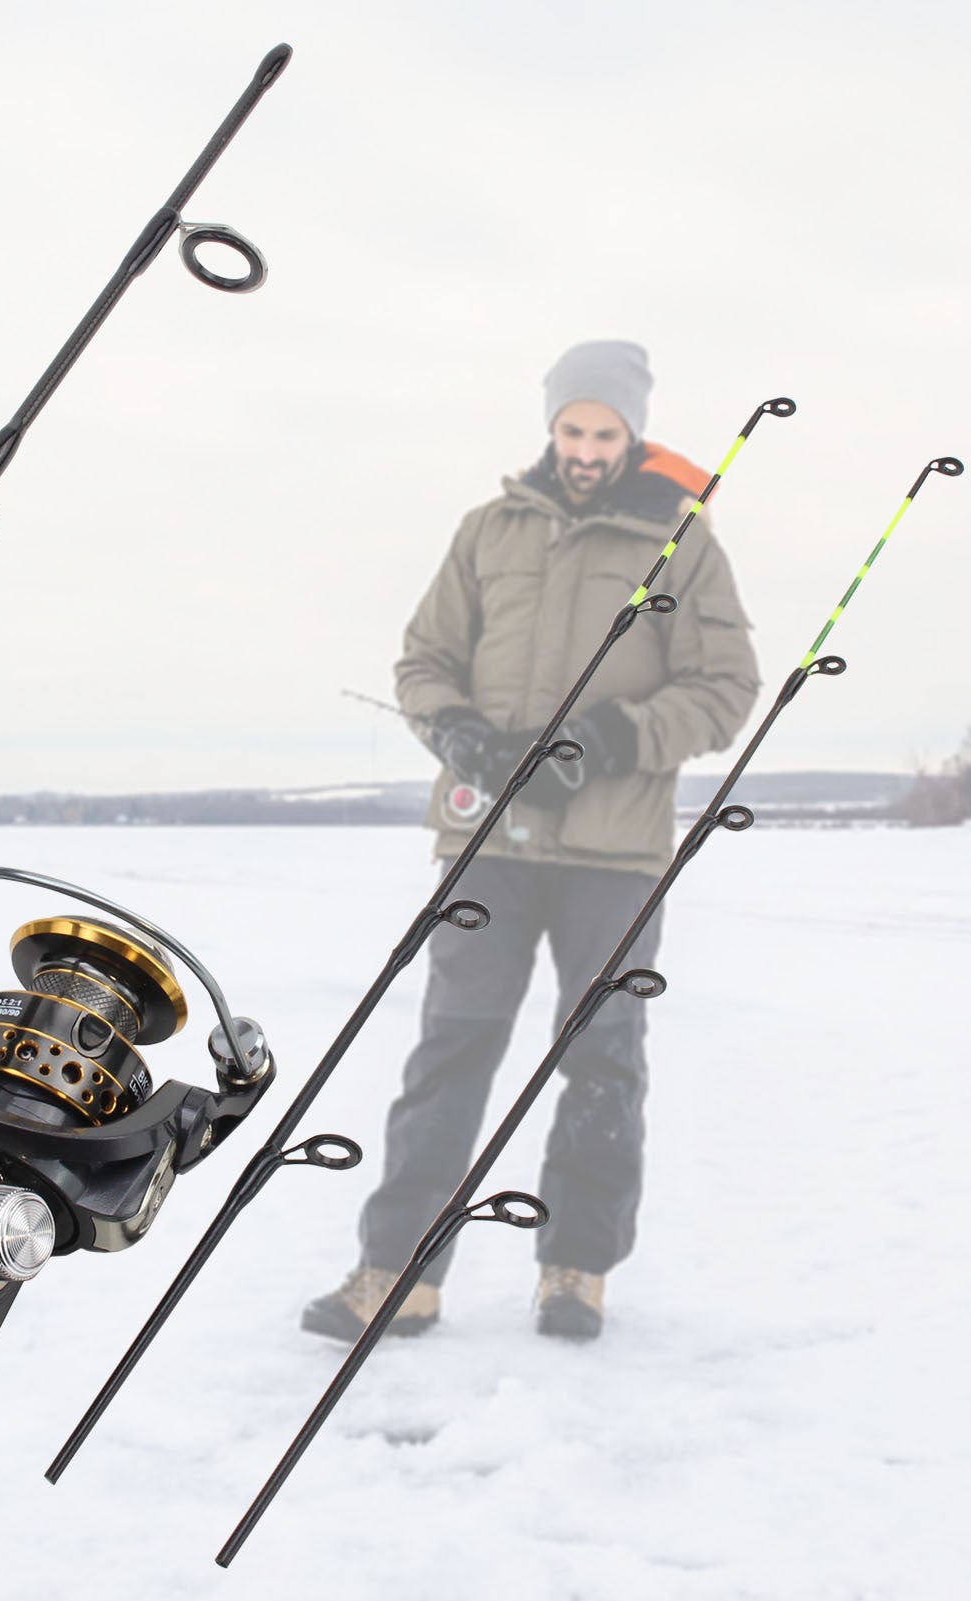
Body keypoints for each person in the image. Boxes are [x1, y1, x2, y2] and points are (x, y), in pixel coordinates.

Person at [304, 340, 760, 1343]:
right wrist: (453, 726)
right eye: (571, 429)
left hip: (615, 853)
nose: (586, 448)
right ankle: (396, 1273)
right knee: (449, 1050)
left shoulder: (678, 540)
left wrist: (610, 738)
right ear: (549, 427)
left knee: (603, 1055)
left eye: (604, 432)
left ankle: (573, 1271)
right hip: (488, 839)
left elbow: (725, 689)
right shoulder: (487, 529)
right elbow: (422, 660)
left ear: (630, 433)